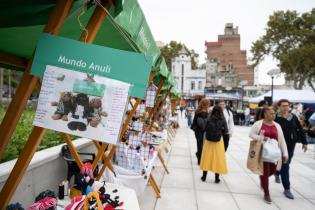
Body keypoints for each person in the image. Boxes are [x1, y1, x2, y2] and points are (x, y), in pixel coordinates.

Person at [249, 106, 288, 204]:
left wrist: (285, 153)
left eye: (274, 113)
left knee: (272, 170)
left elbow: (282, 140)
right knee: (265, 172)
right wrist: (262, 138)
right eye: (271, 113)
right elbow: (251, 134)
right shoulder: (258, 124)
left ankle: (263, 178)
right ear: (265, 114)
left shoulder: (277, 126)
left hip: (274, 154)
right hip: (262, 153)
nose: (273, 115)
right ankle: (267, 193)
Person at [274, 99, 308, 199]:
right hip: (280, 145)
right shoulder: (276, 118)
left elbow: (300, 129)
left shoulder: (293, 117)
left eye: (287, 105)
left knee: (286, 163)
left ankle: (277, 172)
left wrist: (304, 142)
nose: (286, 107)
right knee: (285, 165)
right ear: (279, 107)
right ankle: (287, 189)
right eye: (283, 106)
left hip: (291, 145)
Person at [200, 106, 228, 183]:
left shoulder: (209, 118)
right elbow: (226, 131)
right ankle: (216, 178)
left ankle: (204, 177)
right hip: (218, 142)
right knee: (218, 159)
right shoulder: (223, 119)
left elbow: (204, 128)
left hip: (208, 141)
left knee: (207, 158)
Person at [191, 99, 210, 165]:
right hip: (201, 131)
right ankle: (200, 159)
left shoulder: (199, 111)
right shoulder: (206, 112)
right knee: (201, 146)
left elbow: (194, 122)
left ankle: (200, 158)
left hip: (200, 131)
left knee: (201, 145)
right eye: (208, 104)